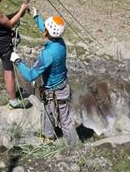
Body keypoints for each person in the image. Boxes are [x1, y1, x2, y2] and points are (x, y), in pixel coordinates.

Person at [10, 9, 79, 145]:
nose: (44, 30)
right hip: (60, 86)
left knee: (63, 118)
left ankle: (75, 146)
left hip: (54, 90)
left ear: (48, 32)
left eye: (45, 29)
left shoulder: (48, 54)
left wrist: (17, 61)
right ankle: (49, 136)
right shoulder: (60, 42)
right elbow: (48, 30)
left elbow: (31, 75)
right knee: (48, 111)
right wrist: (36, 16)